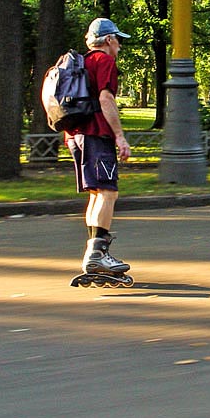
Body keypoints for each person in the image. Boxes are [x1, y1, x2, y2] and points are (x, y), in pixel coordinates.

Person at [66, 17, 132, 276]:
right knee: (108, 193)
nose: (119, 46)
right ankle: (97, 255)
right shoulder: (103, 61)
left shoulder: (82, 62)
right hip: (96, 134)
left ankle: (94, 255)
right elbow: (106, 99)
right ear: (108, 40)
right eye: (118, 40)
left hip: (75, 136)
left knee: (96, 194)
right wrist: (120, 136)